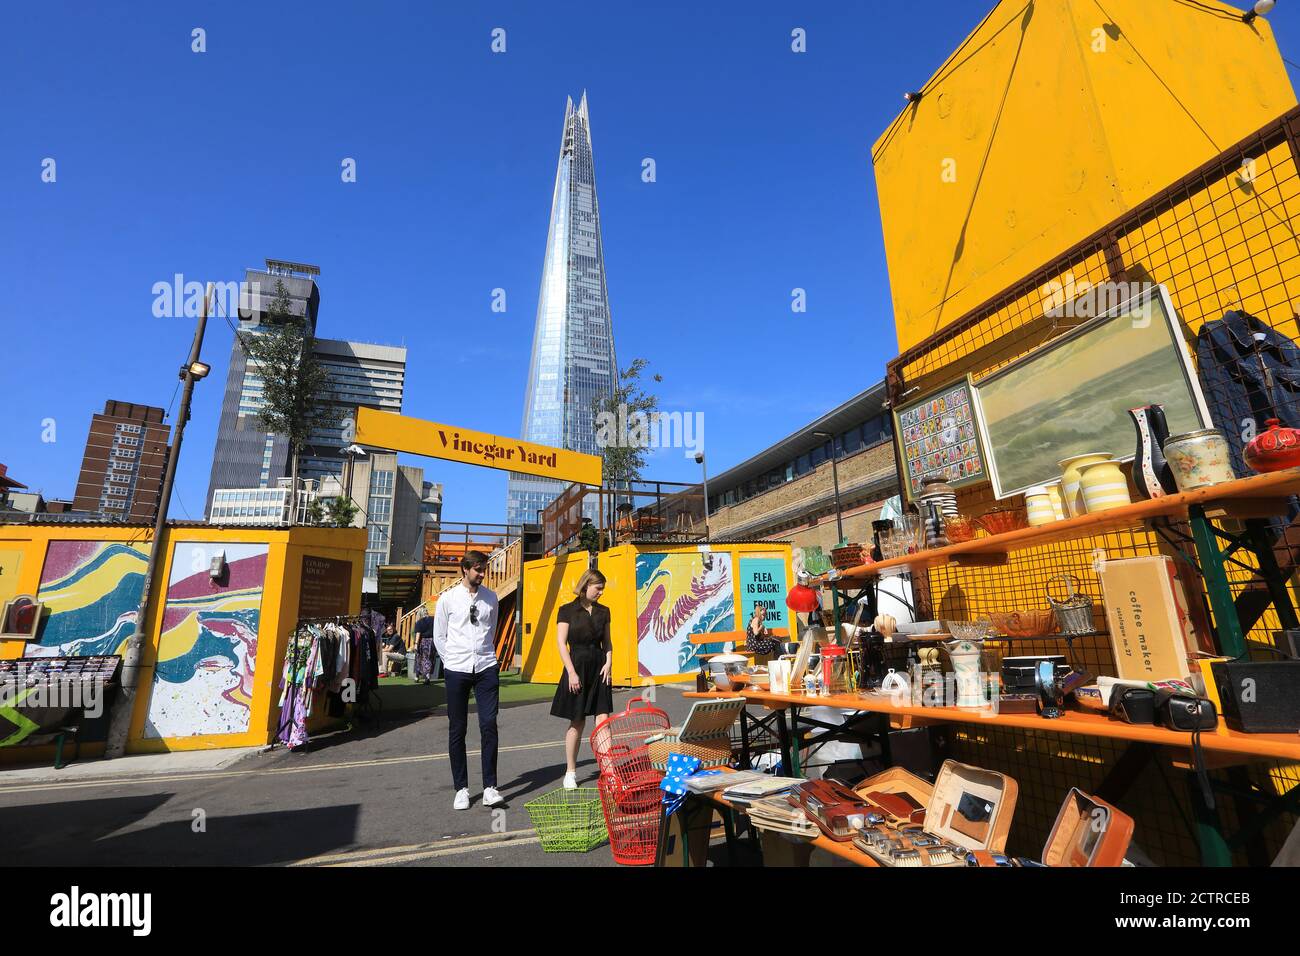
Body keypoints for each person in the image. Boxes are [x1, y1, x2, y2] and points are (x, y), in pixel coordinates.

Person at [433, 550, 503, 810]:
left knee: (488, 724)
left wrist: (487, 655)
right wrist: (451, 661)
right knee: (457, 728)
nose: (482, 574)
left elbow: (491, 631)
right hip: (457, 668)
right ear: (464, 569)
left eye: (484, 569)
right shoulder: (447, 599)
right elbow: (440, 636)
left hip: (486, 666)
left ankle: (490, 787)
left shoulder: (491, 598)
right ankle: (461, 788)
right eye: (478, 569)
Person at [550, 568, 614, 789]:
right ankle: (570, 772)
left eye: (603, 588)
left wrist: (609, 662)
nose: (601, 592)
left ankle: (610, 772)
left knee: (603, 722)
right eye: (598, 588)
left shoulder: (604, 612)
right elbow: (561, 643)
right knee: (577, 722)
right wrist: (571, 672)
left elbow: (607, 642)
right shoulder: (566, 610)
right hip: (576, 667)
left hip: (599, 669)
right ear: (586, 585)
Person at [412, 610, 437, 683]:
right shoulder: (433, 620)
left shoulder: (420, 622)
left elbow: (418, 633)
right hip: (432, 641)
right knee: (429, 659)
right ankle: (427, 676)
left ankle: (417, 677)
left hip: (423, 642)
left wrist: (416, 644)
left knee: (419, 658)